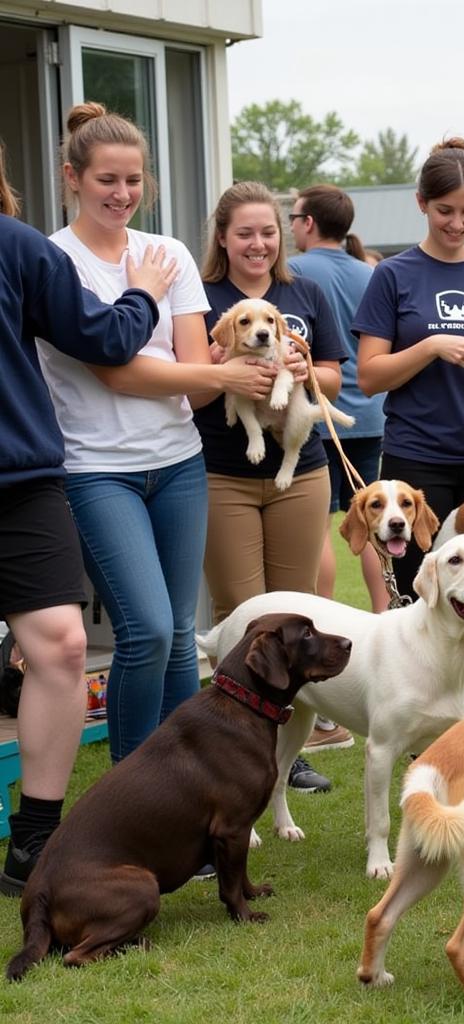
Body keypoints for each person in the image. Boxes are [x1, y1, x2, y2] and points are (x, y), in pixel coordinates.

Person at [35, 104, 272, 768]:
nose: (122, 194)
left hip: (178, 464)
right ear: (72, 177)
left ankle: (185, 787)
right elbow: (114, 372)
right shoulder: (56, 260)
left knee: (175, 637)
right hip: (95, 470)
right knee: (144, 630)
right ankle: (134, 790)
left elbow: (196, 382)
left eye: (134, 180)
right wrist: (151, 315)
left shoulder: (167, 253)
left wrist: (223, 372)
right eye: (107, 179)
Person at [0, 138, 176, 894]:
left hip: (21, 480)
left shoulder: (17, 246)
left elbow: (102, 338)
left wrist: (139, 293)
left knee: (66, 647)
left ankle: (35, 840)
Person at [196, 180, 345, 793]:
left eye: (268, 233)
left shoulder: (302, 292)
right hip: (222, 473)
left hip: (299, 471)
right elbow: (194, 382)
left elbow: (336, 378)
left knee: (296, 616)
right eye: (244, 233)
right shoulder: (202, 296)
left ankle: (292, 749)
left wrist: (312, 371)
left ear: (281, 236)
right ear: (223, 239)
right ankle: (233, 749)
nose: (258, 244)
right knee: (239, 616)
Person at [353, 137, 464, 598]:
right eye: (445, 211)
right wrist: (430, 346)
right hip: (418, 461)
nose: (457, 223)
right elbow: (369, 377)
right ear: (421, 204)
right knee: (422, 598)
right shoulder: (392, 274)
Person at [289, 183, 377, 754]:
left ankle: (321, 651)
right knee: (369, 523)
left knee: (319, 526)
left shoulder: (293, 272)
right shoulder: (370, 271)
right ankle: (386, 633)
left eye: (292, 216)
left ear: (308, 222)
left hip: (316, 417)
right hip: (370, 414)